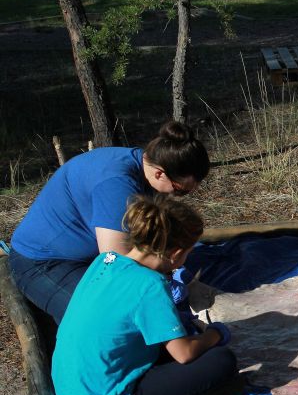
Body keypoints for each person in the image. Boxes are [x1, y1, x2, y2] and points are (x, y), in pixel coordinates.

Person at [51, 194, 241, 395]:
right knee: (221, 361)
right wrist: (213, 335)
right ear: (175, 253)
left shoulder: (105, 261)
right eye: (187, 253)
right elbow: (184, 354)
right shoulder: (151, 285)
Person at [8, 121, 210, 324]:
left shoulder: (147, 163)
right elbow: (114, 265)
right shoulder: (116, 185)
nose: (177, 196)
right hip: (41, 262)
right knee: (108, 317)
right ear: (160, 173)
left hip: (86, 258)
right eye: (180, 190)